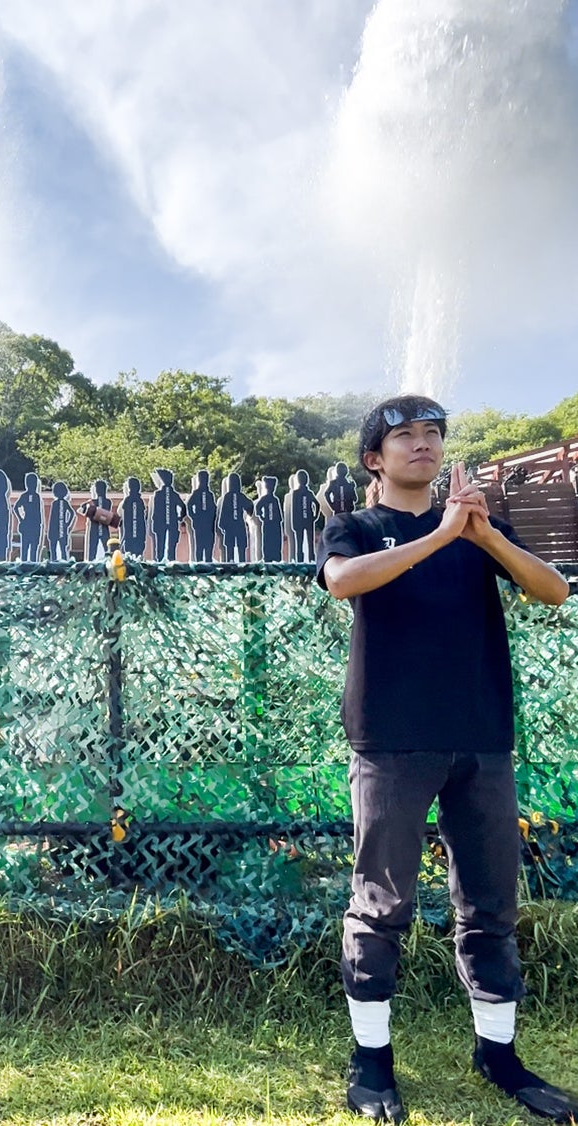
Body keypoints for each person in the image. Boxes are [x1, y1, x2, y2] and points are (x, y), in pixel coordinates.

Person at [316, 395, 577, 1124]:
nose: (423, 445)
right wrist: (438, 537)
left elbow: (552, 591)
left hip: (482, 738)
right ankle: (371, 1063)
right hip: (391, 741)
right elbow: (343, 580)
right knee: (380, 905)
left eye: (432, 434)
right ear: (375, 458)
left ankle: (497, 1055)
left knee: (490, 905)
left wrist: (482, 534)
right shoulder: (356, 527)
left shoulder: (477, 529)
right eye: (404, 436)